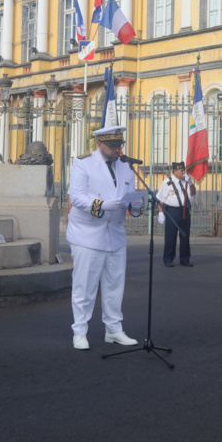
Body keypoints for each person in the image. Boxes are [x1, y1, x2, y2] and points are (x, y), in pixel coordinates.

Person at [66, 125, 143, 350]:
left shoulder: (126, 167)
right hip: (88, 234)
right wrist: (100, 205)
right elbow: (76, 196)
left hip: (115, 233)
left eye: (119, 146)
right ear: (100, 144)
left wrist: (136, 204)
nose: (117, 150)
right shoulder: (83, 163)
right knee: (85, 286)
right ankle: (80, 331)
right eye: (112, 146)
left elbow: (128, 195)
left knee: (115, 284)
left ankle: (114, 329)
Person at [156, 161, 196, 267]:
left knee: (185, 236)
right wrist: (161, 214)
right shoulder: (167, 182)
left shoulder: (186, 181)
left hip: (185, 211)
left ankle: (185, 259)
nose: (183, 172)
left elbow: (193, 193)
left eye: (184, 170)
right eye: (181, 170)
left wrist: (191, 183)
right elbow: (160, 200)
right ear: (175, 171)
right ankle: (168, 259)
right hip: (172, 211)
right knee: (171, 236)